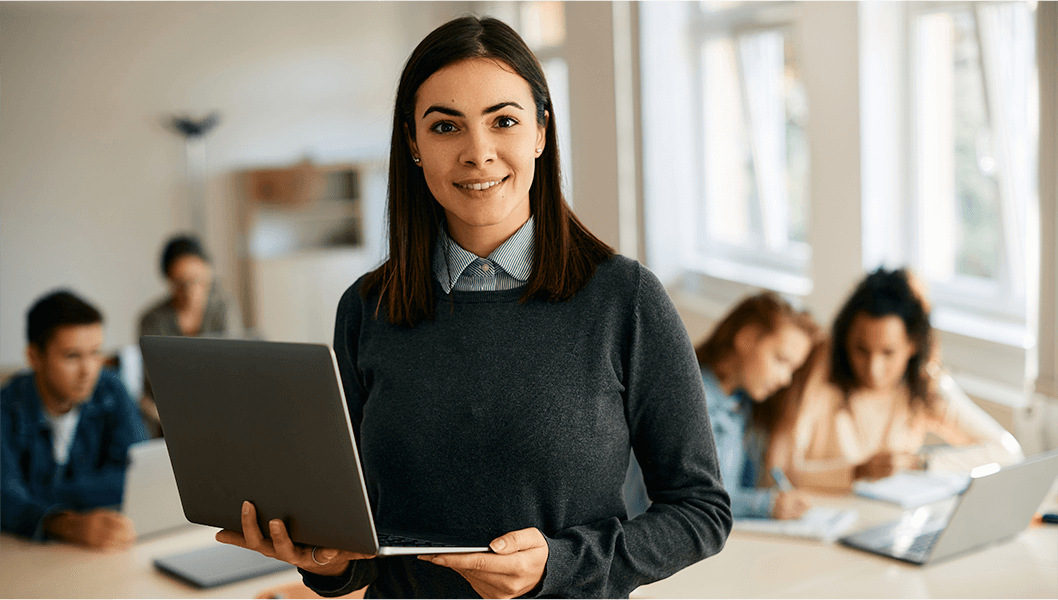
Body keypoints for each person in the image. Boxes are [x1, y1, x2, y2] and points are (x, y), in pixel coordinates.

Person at [216, 15, 732, 600]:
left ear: (540, 132)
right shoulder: (367, 308)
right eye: (445, 127)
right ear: (413, 144)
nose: (478, 154)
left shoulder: (625, 300)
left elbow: (701, 510)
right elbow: (357, 541)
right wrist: (327, 561)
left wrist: (557, 566)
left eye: (504, 121)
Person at [769, 267, 1025, 492]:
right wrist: (856, 472)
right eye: (861, 350)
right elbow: (778, 472)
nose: (873, 369)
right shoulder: (821, 365)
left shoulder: (923, 383)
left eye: (888, 353)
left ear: (913, 345)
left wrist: (919, 464)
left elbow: (1007, 454)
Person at [0, 290, 146, 549]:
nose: (88, 370)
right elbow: (7, 498)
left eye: (95, 353)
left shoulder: (112, 390)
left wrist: (46, 495)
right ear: (34, 357)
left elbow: (140, 476)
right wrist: (68, 524)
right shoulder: (7, 407)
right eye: (72, 356)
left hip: (107, 546)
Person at [695, 293, 819, 520]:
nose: (786, 379)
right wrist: (766, 505)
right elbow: (692, 500)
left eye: (793, 369)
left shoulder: (740, 405)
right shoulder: (688, 401)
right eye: (781, 360)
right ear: (747, 338)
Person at [138, 233, 236, 436]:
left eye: (198, 281)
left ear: (208, 273)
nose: (191, 291)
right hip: (168, 415)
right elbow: (153, 382)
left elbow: (233, 366)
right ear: (168, 280)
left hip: (220, 407)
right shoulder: (152, 320)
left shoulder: (224, 308)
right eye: (180, 283)